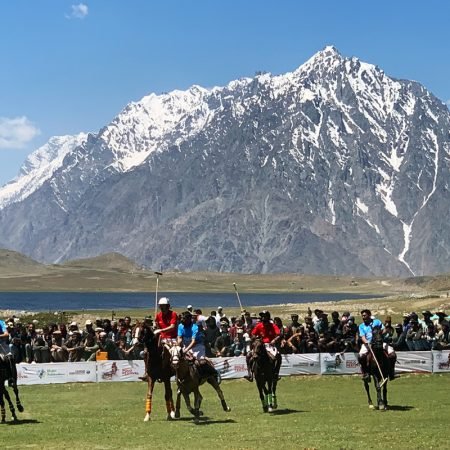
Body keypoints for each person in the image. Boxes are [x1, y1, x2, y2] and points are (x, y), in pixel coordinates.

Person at [358, 309, 397, 381]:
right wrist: (367, 342)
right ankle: (366, 374)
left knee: (393, 354)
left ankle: (391, 372)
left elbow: (383, 331)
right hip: (368, 344)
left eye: (365, 315)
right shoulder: (361, 326)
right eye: (362, 316)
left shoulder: (377, 322)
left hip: (380, 342)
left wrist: (387, 328)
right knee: (361, 356)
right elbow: (362, 337)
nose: (363, 317)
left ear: (369, 315)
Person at [244, 310, 281, 382]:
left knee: (278, 357)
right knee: (248, 356)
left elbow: (279, 335)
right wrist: (254, 337)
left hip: (270, 345)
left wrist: (274, 340)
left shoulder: (273, 325)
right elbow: (253, 334)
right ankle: (250, 375)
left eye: (264, 316)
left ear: (268, 317)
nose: (263, 318)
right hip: (260, 344)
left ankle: (276, 374)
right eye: (262, 316)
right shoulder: (259, 325)